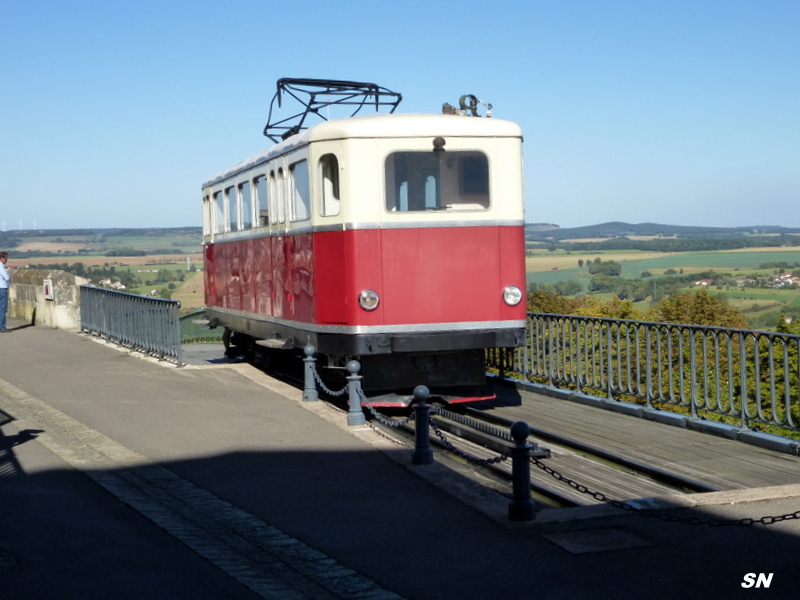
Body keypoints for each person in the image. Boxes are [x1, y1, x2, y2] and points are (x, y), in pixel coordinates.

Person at [0, 252, 10, 332]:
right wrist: (7, 277)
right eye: (6, 258)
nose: (6, 260)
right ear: (2, 258)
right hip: (2, 288)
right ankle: (2, 327)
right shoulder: (1, 266)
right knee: (3, 308)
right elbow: (7, 277)